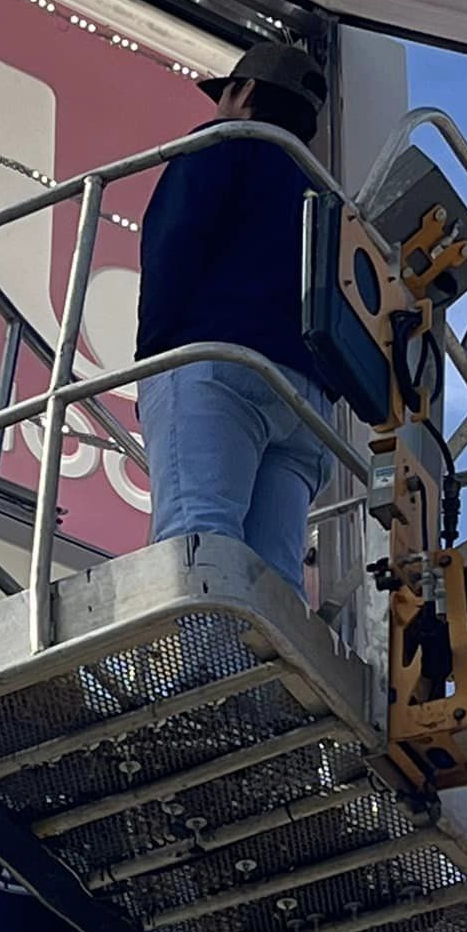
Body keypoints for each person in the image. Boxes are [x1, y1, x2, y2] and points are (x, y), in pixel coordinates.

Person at [135, 42, 336, 601]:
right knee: (277, 584)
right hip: (306, 402)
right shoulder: (325, 196)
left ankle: (201, 653)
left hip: (217, 364)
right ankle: (263, 664)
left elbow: (173, 247)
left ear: (244, 91)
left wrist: (155, 362)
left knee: (199, 539)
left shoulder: (220, 145)